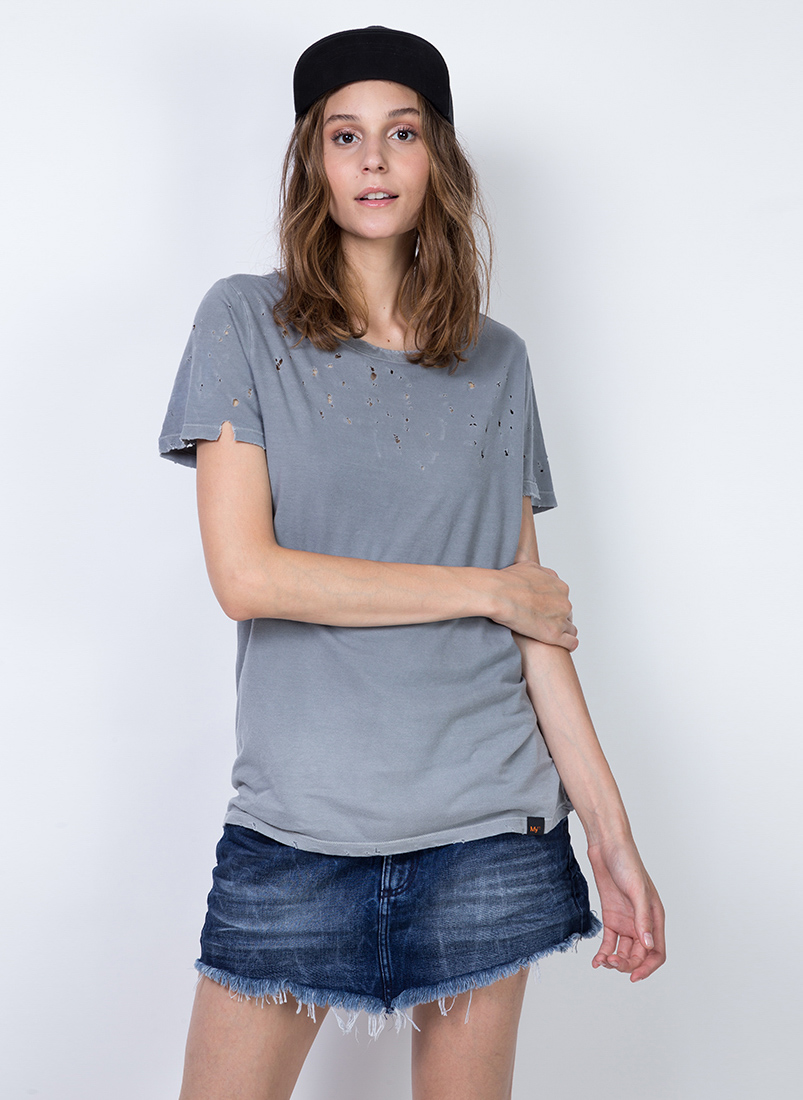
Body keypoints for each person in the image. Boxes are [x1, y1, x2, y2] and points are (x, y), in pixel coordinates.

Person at [159, 25, 665, 1100]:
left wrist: (612, 836)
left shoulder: (498, 360)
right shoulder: (243, 322)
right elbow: (247, 576)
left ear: (437, 155)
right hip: (295, 825)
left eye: (401, 133)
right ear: (313, 159)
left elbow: (537, 625)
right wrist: (481, 588)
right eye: (345, 135)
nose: (374, 160)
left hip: (488, 826)